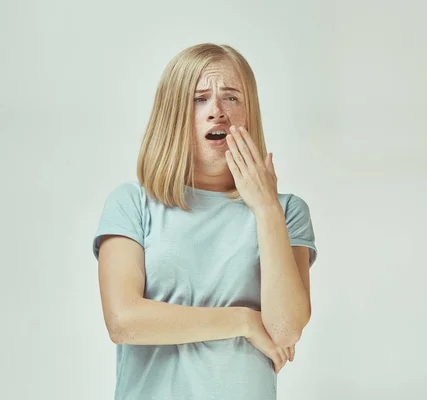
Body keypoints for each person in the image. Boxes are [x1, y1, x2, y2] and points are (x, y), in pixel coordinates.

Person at [92, 43, 318, 400]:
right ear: (173, 115)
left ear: (249, 113)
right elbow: (123, 322)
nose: (216, 112)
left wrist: (266, 208)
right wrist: (242, 321)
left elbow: (286, 329)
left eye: (231, 98)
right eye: (198, 99)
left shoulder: (287, 212)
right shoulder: (132, 203)